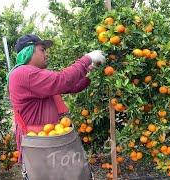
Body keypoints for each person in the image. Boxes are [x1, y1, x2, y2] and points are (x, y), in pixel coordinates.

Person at [7, 34, 105, 179]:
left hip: (49, 138)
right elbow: (61, 80)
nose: (46, 54)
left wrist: (88, 72)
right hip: (39, 141)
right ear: (28, 51)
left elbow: (71, 86)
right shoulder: (23, 72)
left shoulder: (35, 75)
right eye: (42, 50)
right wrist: (86, 59)